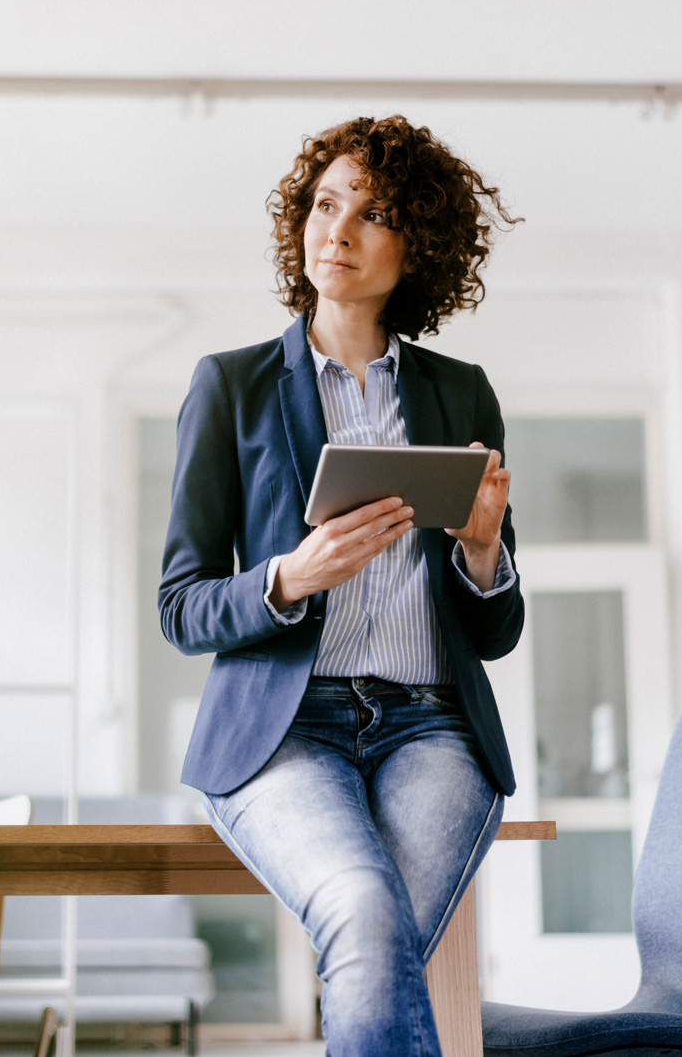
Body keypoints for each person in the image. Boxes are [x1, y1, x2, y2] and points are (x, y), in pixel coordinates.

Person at [158, 115, 522, 1056]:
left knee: (373, 945)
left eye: (373, 214)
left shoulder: (461, 393)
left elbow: (495, 630)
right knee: (366, 917)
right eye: (326, 205)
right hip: (287, 729)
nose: (340, 231)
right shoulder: (230, 386)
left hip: (432, 723)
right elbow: (181, 605)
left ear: (418, 248)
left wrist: (482, 549)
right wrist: (289, 576)